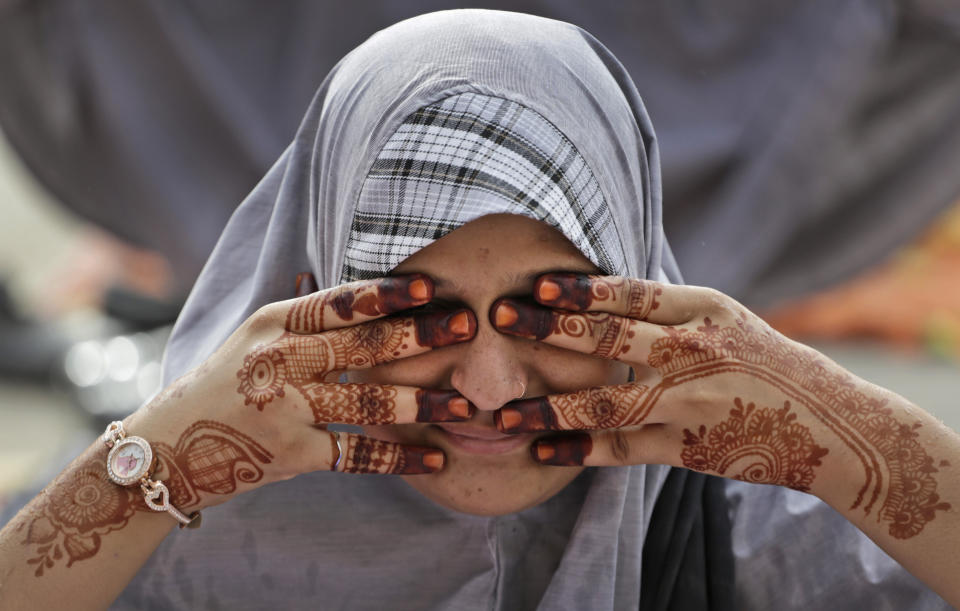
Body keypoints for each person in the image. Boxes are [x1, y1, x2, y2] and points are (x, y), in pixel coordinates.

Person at [0, 10, 957, 610]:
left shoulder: (748, 527)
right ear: (311, 300)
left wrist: (841, 429)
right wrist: (147, 470)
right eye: (417, 319)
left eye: (562, 316)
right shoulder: (166, 530)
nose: (490, 389)